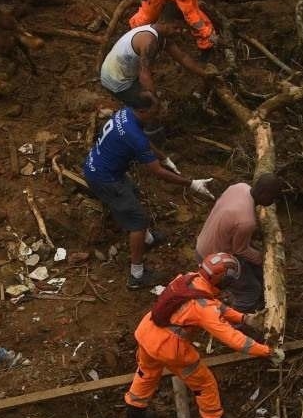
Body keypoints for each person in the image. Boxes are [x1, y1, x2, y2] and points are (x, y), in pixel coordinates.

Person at [124, 253, 283, 418]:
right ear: (221, 279)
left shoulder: (188, 279)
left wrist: (244, 318)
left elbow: (215, 305)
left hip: (147, 333)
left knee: (146, 373)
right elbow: (235, 340)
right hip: (168, 347)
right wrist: (267, 351)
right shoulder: (204, 308)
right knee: (205, 384)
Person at [82, 98, 212, 289]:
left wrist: (164, 157)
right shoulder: (135, 136)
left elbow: (145, 142)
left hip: (101, 166)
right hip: (105, 179)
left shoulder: (125, 113)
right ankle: (137, 275)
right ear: (142, 110)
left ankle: (147, 239)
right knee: (138, 221)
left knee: (132, 191)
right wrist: (191, 184)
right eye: (154, 112)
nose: (156, 115)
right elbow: (157, 172)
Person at [196, 174, 283, 313]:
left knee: (255, 269)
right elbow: (241, 251)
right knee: (251, 290)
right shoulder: (246, 221)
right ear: (264, 194)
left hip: (202, 244)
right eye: (272, 197)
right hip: (212, 261)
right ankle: (234, 321)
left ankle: (259, 299)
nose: (273, 202)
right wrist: (265, 259)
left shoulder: (239, 187)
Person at [99, 21, 184, 106]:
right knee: (147, 105)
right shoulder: (149, 41)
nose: (179, 31)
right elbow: (144, 75)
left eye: (181, 29)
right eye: (175, 28)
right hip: (116, 81)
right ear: (164, 23)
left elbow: (183, 58)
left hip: (120, 72)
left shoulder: (159, 35)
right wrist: (155, 101)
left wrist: (197, 72)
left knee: (148, 97)